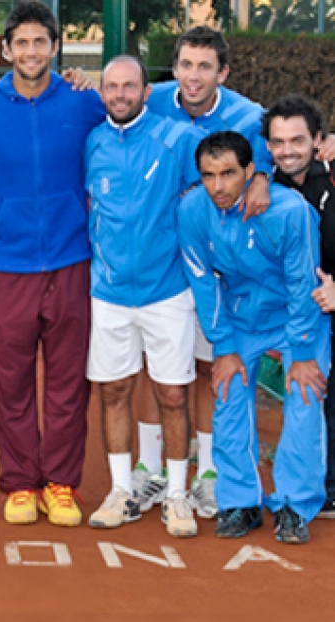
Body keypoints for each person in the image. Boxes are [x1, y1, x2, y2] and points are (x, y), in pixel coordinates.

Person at [0, 1, 104, 527]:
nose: (30, 51)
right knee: (11, 382)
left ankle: (61, 484)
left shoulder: (82, 101)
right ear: (6, 50)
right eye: (20, 43)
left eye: (39, 42)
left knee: (69, 383)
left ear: (53, 48)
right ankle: (21, 482)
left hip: (72, 262)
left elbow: (138, 106)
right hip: (9, 267)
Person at [138, 25, 275, 519]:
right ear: (173, 67)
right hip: (156, 261)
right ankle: (148, 467)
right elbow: (95, 106)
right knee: (153, 368)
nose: (193, 77)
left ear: (223, 72)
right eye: (186, 65)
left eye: (204, 67)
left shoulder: (248, 116)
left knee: (205, 366)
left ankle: (211, 471)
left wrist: (261, 174)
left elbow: (280, 148)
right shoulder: (148, 98)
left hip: (218, 266)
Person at [178, 131, 329, 544]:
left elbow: (302, 281)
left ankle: (295, 507)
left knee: (304, 394)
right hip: (242, 322)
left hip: (296, 319)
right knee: (228, 394)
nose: (219, 187)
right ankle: (241, 501)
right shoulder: (192, 210)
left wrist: (300, 351)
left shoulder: (288, 210)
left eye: (228, 174)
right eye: (208, 176)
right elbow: (203, 282)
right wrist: (223, 347)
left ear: (250, 171)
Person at [82, 56, 204, 538]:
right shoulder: (92, 141)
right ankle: (121, 490)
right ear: (102, 92)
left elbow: (226, 170)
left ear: (146, 91)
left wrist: (257, 177)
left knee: (172, 394)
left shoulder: (178, 138)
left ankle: (177, 494)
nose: (119, 94)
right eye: (111, 87)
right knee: (114, 391)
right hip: (109, 293)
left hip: (167, 291)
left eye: (129, 86)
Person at [262, 94, 335, 519]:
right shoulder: (263, 187)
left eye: (298, 140)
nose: (288, 150)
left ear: (318, 140)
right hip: (292, 311)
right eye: (278, 141)